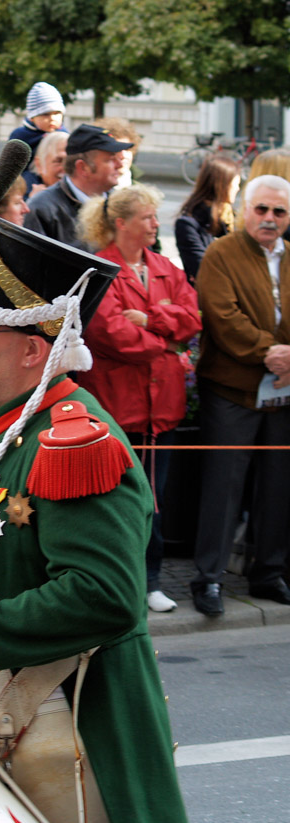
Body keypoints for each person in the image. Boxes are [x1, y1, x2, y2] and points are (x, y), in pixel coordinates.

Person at [0, 142, 189, 822]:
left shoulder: (74, 441)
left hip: (68, 748)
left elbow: (105, 598)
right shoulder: (0, 437)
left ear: (31, 348)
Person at [77, 184, 201, 613]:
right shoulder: (100, 269)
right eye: (148, 218)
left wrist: (152, 319)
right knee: (114, 501)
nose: (155, 225)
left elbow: (191, 319)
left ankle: (151, 580)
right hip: (118, 406)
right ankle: (117, 581)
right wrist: (166, 345)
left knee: (154, 499)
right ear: (121, 222)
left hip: (160, 409)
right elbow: (109, 333)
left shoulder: (166, 266)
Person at [190, 174, 290, 616]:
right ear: (244, 210)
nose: (269, 219)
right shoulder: (221, 252)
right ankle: (208, 578)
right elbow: (221, 315)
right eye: (262, 209)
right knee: (223, 486)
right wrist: (270, 352)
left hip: (284, 393)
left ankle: (267, 573)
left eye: (279, 212)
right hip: (232, 388)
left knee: (278, 485)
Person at [25, 124, 134, 249]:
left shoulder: (122, 204)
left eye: (118, 158)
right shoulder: (42, 208)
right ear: (83, 167)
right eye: (110, 160)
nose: (120, 165)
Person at [174, 155, 241, 284]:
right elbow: (203, 270)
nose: (237, 189)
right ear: (222, 185)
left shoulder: (234, 218)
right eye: (235, 184)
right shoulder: (188, 224)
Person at [92, 116, 141, 189]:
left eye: (127, 150)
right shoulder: (90, 190)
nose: (123, 156)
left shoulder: (140, 192)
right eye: (117, 150)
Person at [24, 130, 68, 200]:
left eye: (70, 162)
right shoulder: (22, 191)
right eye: (59, 161)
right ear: (39, 164)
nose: (66, 168)